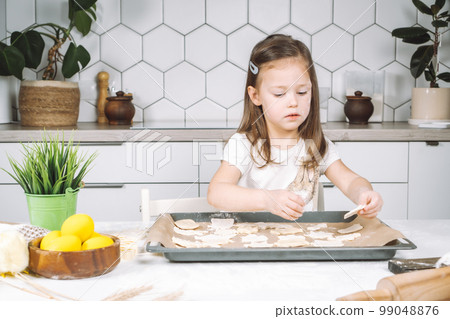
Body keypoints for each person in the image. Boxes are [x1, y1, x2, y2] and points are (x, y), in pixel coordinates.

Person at [207, 34, 383, 220]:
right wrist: (267, 199)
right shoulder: (243, 145)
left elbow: (351, 182)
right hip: (251, 243)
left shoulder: (316, 146)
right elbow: (216, 193)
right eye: (279, 93)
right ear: (255, 96)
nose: (293, 102)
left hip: (300, 243)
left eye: (302, 92)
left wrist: (364, 193)